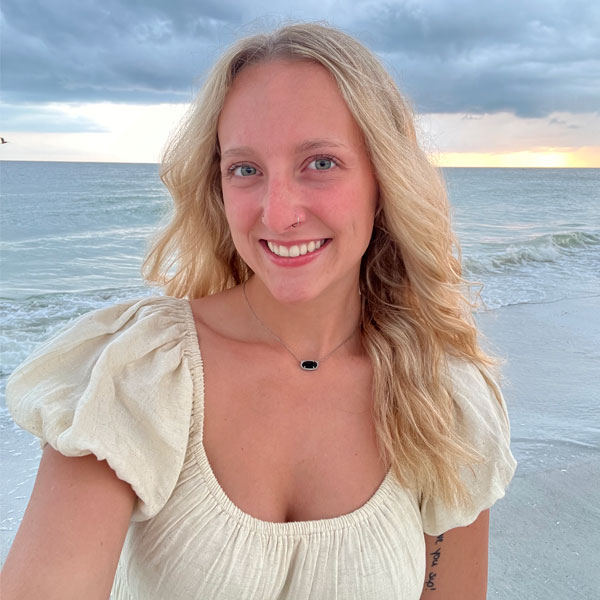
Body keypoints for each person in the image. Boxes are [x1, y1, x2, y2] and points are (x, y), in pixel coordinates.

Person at [2, 23, 516, 600]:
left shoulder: (441, 397)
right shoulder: (141, 374)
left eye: (320, 163)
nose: (278, 213)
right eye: (245, 169)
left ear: (384, 178)